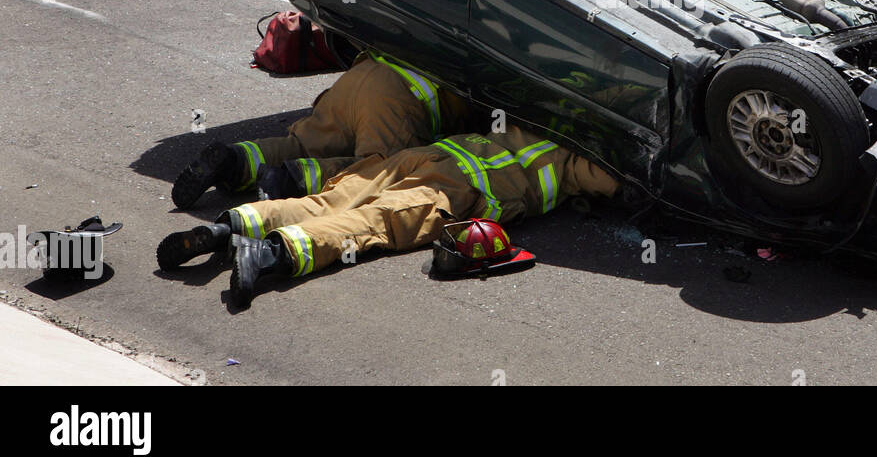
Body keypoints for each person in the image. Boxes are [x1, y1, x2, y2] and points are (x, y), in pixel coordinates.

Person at [157, 125, 622, 307]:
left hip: (431, 154)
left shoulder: (539, 113)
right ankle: (268, 254)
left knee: (329, 201)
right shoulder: (582, 157)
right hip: (460, 190)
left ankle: (222, 229)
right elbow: (617, 179)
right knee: (370, 224)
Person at [171, 52, 471, 208]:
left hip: (359, 76)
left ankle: (234, 159)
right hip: (395, 98)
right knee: (378, 169)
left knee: (301, 143)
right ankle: (290, 180)